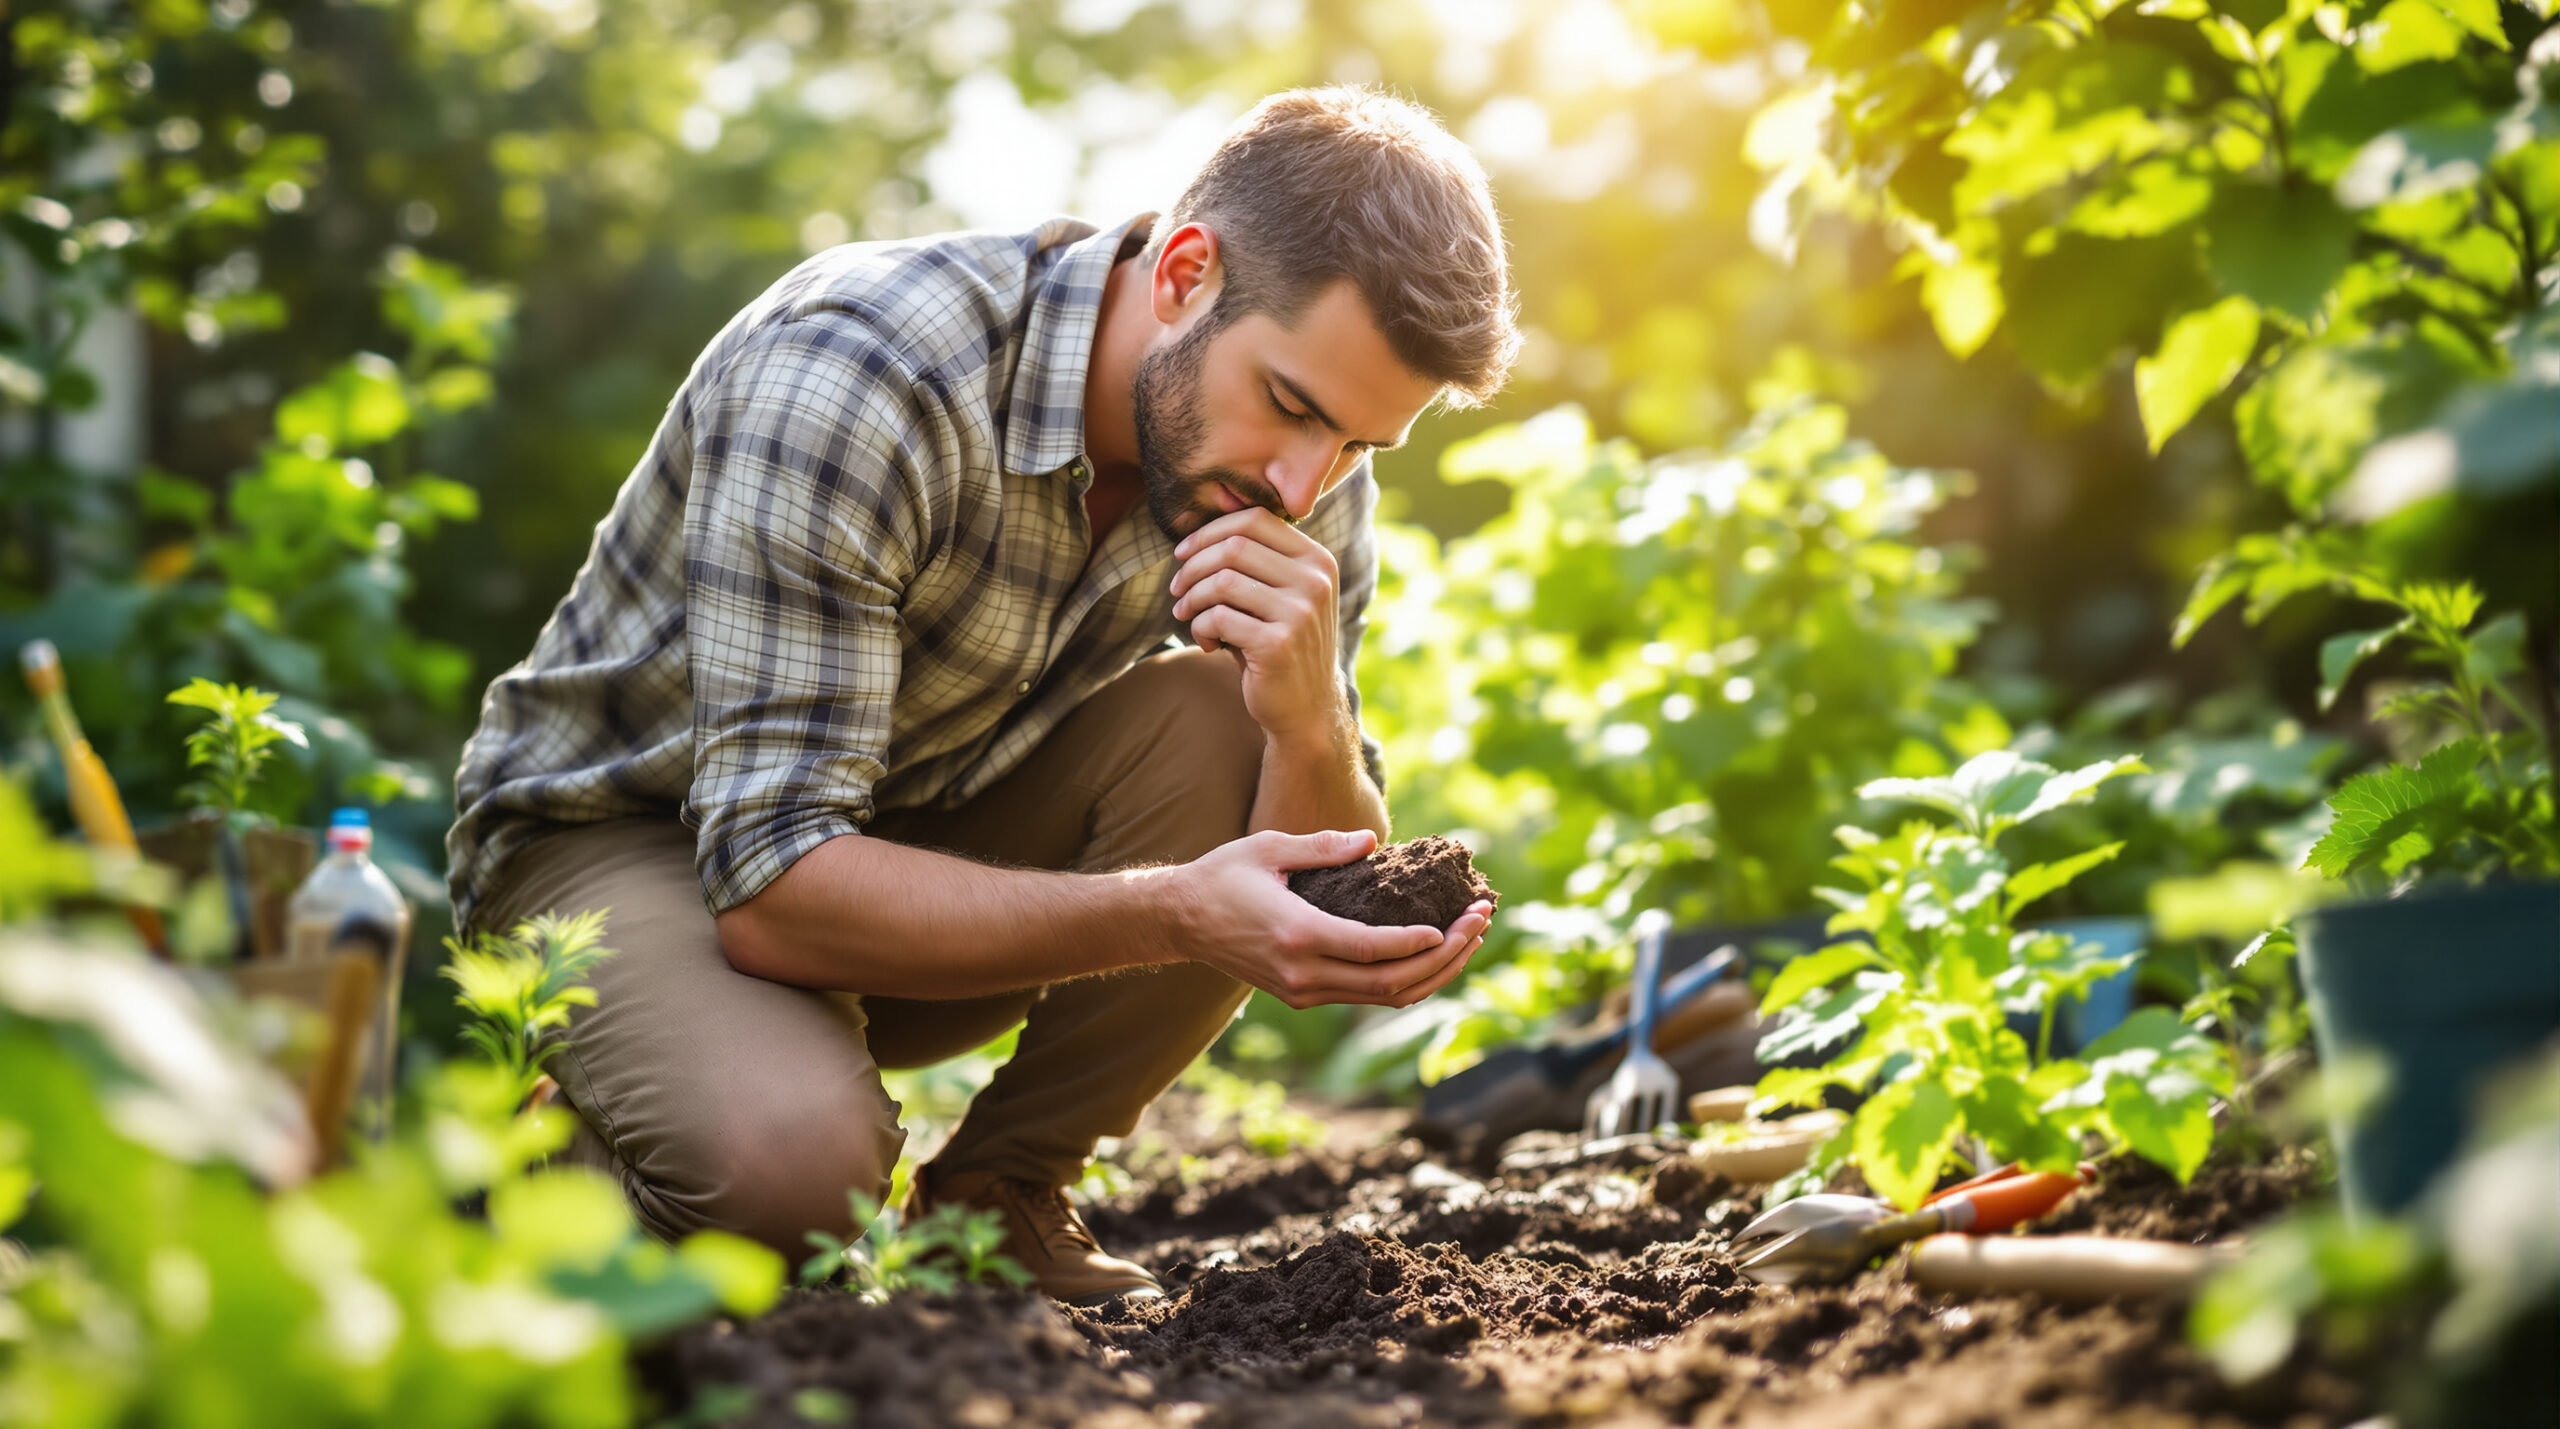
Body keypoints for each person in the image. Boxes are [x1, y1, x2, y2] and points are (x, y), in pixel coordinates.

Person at [445, 85, 1518, 1304]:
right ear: (1183, 271)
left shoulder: (1299, 474)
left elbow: (1318, 865)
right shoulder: (862, 369)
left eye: (1358, 446)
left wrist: (1307, 714)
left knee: (1237, 712)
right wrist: (1174, 911)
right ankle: (523, 1164)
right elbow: (770, 889)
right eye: (1291, 405)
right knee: (789, 1174)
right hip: (634, 848)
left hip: (911, 843)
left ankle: (998, 1194)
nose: (1302, 479)